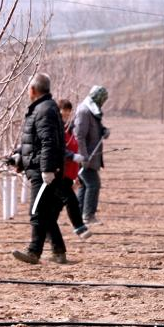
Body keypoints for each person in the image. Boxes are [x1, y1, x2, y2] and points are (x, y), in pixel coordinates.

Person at [9, 73, 68, 264]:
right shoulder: (44, 108)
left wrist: (47, 170)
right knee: (46, 213)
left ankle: (34, 252)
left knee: (38, 211)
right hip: (38, 167)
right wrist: (20, 158)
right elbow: (35, 142)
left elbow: (48, 142)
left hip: (44, 171)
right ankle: (59, 252)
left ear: (33, 90)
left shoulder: (44, 110)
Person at [73, 85, 110, 225]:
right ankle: (88, 216)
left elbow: (96, 129)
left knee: (84, 185)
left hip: (93, 156)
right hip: (85, 157)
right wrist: (83, 156)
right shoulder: (84, 110)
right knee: (93, 184)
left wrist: (104, 131)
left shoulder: (94, 111)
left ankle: (78, 214)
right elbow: (79, 136)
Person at [58, 99, 92, 240]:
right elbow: (58, 149)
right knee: (71, 200)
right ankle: (80, 228)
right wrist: (72, 156)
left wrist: (76, 173)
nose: (66, 113)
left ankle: (46, 230)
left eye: (68, 110)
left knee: (55, 207)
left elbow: (73, 148)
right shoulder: (57, 129)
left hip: (69, 174)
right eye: (63, 110)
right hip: (59, 173)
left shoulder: (69, 129)